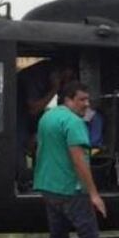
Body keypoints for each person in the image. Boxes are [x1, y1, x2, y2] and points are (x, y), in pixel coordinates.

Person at [33, 81, 107, 238]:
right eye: (82, 99)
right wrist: (94, 193)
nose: (87, 104)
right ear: (68, 99)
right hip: (70, 189)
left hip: (48, 186)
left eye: (88, 99)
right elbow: (79, 161)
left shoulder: (47, 117)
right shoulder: (74, 123)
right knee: (89, 236)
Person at [16, 60, 76, 189]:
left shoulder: (49, 79)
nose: (64, 82)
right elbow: (34, 108)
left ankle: (43, 180)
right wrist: (55, 89)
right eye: (64, 78)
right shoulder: (32, 78)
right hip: (17, 117)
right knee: (18, 145)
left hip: (31, 119)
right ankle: (23, 181)